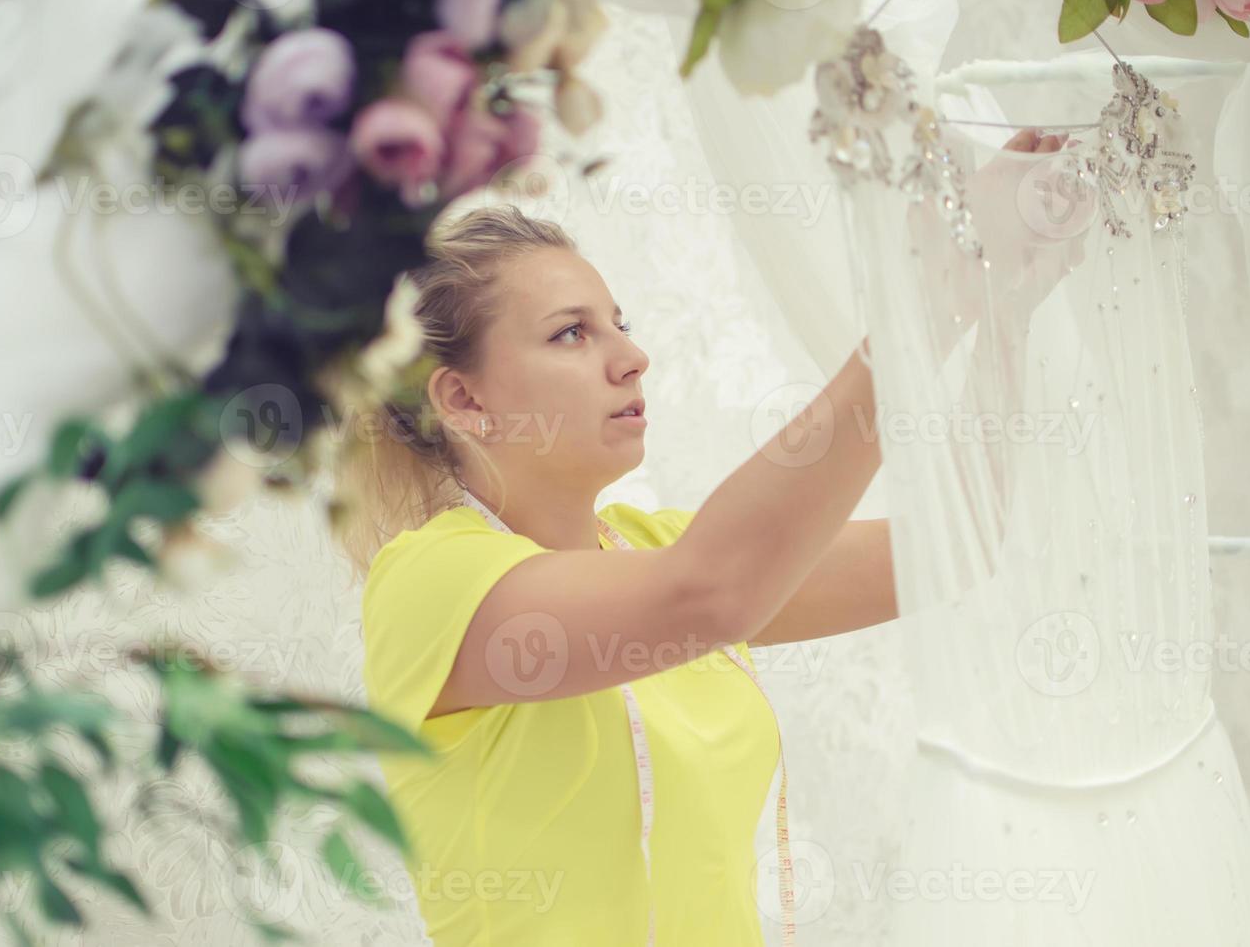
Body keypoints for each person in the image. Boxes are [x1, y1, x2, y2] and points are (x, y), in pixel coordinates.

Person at [346, 130, 1058, 944]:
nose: (633, 357)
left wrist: (1005, 302)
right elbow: (713, 591)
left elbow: (957, 543)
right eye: (572, 333)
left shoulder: (653, 546)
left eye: (620, 324)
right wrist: (926, 306)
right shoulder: (430, 582)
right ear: (465, 402)